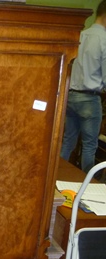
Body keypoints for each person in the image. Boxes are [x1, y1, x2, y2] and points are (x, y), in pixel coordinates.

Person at [60, 0, 106, 173]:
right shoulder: (104, 40)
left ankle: (56, 181)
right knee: (89, 146)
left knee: (67, 142)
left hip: (71, 96)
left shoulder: (80, 35)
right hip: (90, 99)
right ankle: (87, 188)